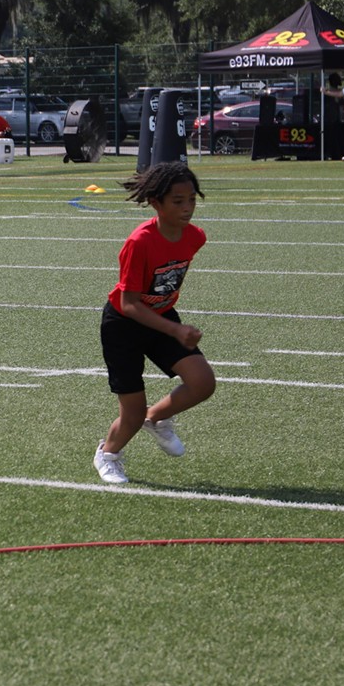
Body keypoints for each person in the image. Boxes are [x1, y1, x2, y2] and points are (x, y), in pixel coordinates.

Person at [94, 161, 216, 485]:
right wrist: (176, 330)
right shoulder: (139, 242)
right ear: (155, 203)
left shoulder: (195, 237)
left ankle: (158, 418)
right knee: (131, 414)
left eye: (192, 199)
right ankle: (108, 454)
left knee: (203, 382)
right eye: (178, 201)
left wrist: (171, 323)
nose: (187, 208)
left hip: (160, 318)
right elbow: (129, 303)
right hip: (123, 325)